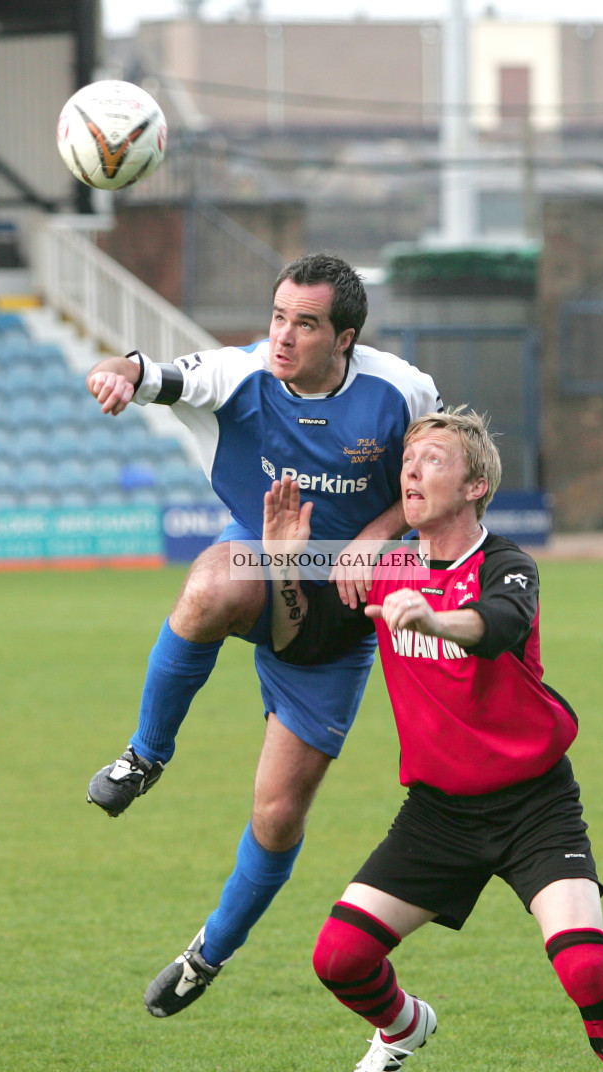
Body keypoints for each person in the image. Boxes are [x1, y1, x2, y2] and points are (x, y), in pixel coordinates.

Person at [264, 407, 603, 1072]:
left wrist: (431, 617)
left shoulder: (507, 564)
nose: (411, 472)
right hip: (438, 813)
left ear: (476, 483)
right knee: (338, 959)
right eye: (407, 460)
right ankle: (401, 1028)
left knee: (584, 966)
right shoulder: (387, 567)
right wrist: (283, 570)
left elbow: (497, 628)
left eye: (431, 459)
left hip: (533, 806)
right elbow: (298, 644)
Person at [83, 252, 442, 1017]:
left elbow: (434, 489)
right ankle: (146, 753)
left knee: (278, 815)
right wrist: (113, 374)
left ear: (343, 338)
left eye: (304, 324)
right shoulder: (237, 374)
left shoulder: (401, 392)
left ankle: (206, 955)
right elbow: (141, 368)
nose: (282, 337)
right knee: (210, 585)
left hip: (338, 622)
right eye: (277, 316)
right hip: (257, 559)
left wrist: (374, 535)